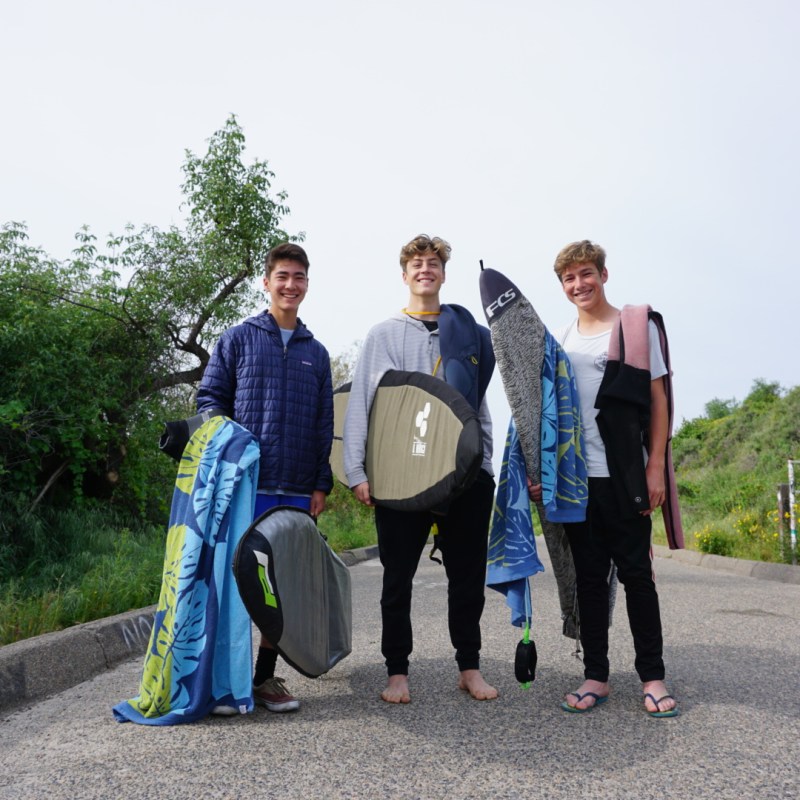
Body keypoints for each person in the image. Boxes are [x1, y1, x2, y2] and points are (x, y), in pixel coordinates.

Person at [343, 233, 498, 704]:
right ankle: (397, 672)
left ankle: (469, 667)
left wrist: (486, 462)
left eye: (433, 263)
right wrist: (357, 471)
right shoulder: (384, 334)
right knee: (397, 577)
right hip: (399, 471)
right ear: (405, 273)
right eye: (416, 263)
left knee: (468, 576)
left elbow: (475, 406)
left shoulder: (467, 334)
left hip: (464, 476)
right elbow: (363, 406)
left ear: (443, 274)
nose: (425, 270)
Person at [530, 239, 679, 717]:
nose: (579, 284)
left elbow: (659, 401)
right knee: (588, 581)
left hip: (624, 474)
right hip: (578, 480)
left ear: (603, 274)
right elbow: (546, 413)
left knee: (637, 576)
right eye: (569, 278)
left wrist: (655, 465)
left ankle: (652, 677)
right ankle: (596, 674)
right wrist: (542, 474)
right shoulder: (562, 339)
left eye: (586, 274)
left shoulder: (633, 328)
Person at [197, 242, 334, 715]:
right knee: (236, 583)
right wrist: (229, 447)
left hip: (295, 488)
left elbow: (323, 425)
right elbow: (210, 399)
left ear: (307, 285)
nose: (290, 285)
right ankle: (223, 684)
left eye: (298, 277)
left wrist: (320, 483)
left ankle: (264, 678)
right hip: (245, 487)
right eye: (283, 276)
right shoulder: (237, 339)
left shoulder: (316, 354)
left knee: (283, 586)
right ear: (267, 281)